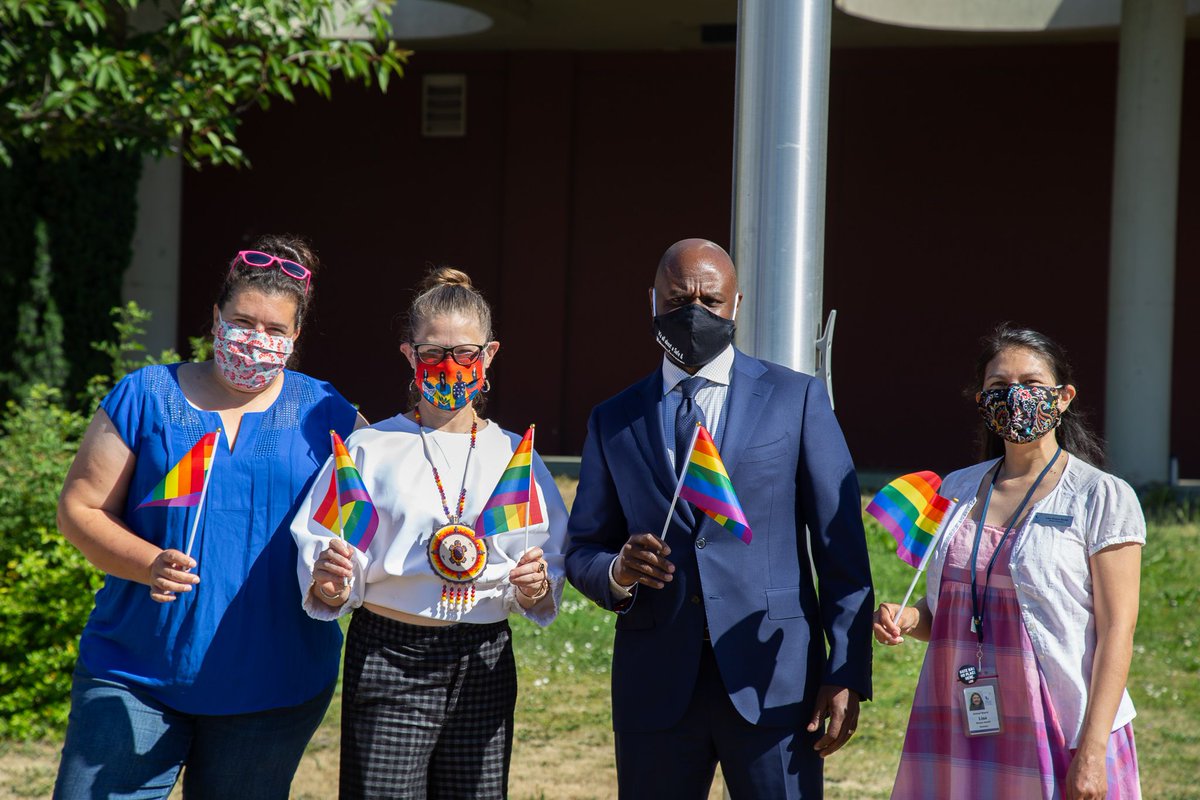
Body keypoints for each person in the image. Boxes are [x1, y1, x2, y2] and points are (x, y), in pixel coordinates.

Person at [54, 236, 364, 799]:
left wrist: (340, 571)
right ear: (215, 317)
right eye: (243, 321)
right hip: (134, 675)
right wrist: (148, 562)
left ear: (295, 338)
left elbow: (374, 518)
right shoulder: (145, 394)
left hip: (275, 688)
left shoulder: (329, 412)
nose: (256, 339)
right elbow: (81, 509)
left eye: (275, 330)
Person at [565, 238, 875, 799]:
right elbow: (583, 549)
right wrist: (619, 572)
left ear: (735, 306)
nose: (696, 312)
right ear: (652, 302)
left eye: (711, 300)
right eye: (680, 298)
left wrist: (847, 670)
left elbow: (842, 552)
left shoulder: (796, 399)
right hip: (656, 687)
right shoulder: (614, 418)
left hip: (774, 680)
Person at [291, 267, 568, 800]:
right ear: (408, 355)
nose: (449, 366)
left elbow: (546, 561)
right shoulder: (369, 448)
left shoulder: (517, 457)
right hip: (391, 654)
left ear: (489, 356)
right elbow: (324, 551)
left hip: (484, 656)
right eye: (432, 353)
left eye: (465, 353)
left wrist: (535, 587)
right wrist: (329, 583)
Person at [874, 324, 1144, 799]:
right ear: (981, 400)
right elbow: (948, 612)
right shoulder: (956, 488)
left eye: (1032, 384)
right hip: (960, 717)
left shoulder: (1100, 495)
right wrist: (908, 617)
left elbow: (1117, 631)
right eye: (999, 387)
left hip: (1059, 725)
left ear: (1062, 398)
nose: (1016, 397)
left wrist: (1093, 748)